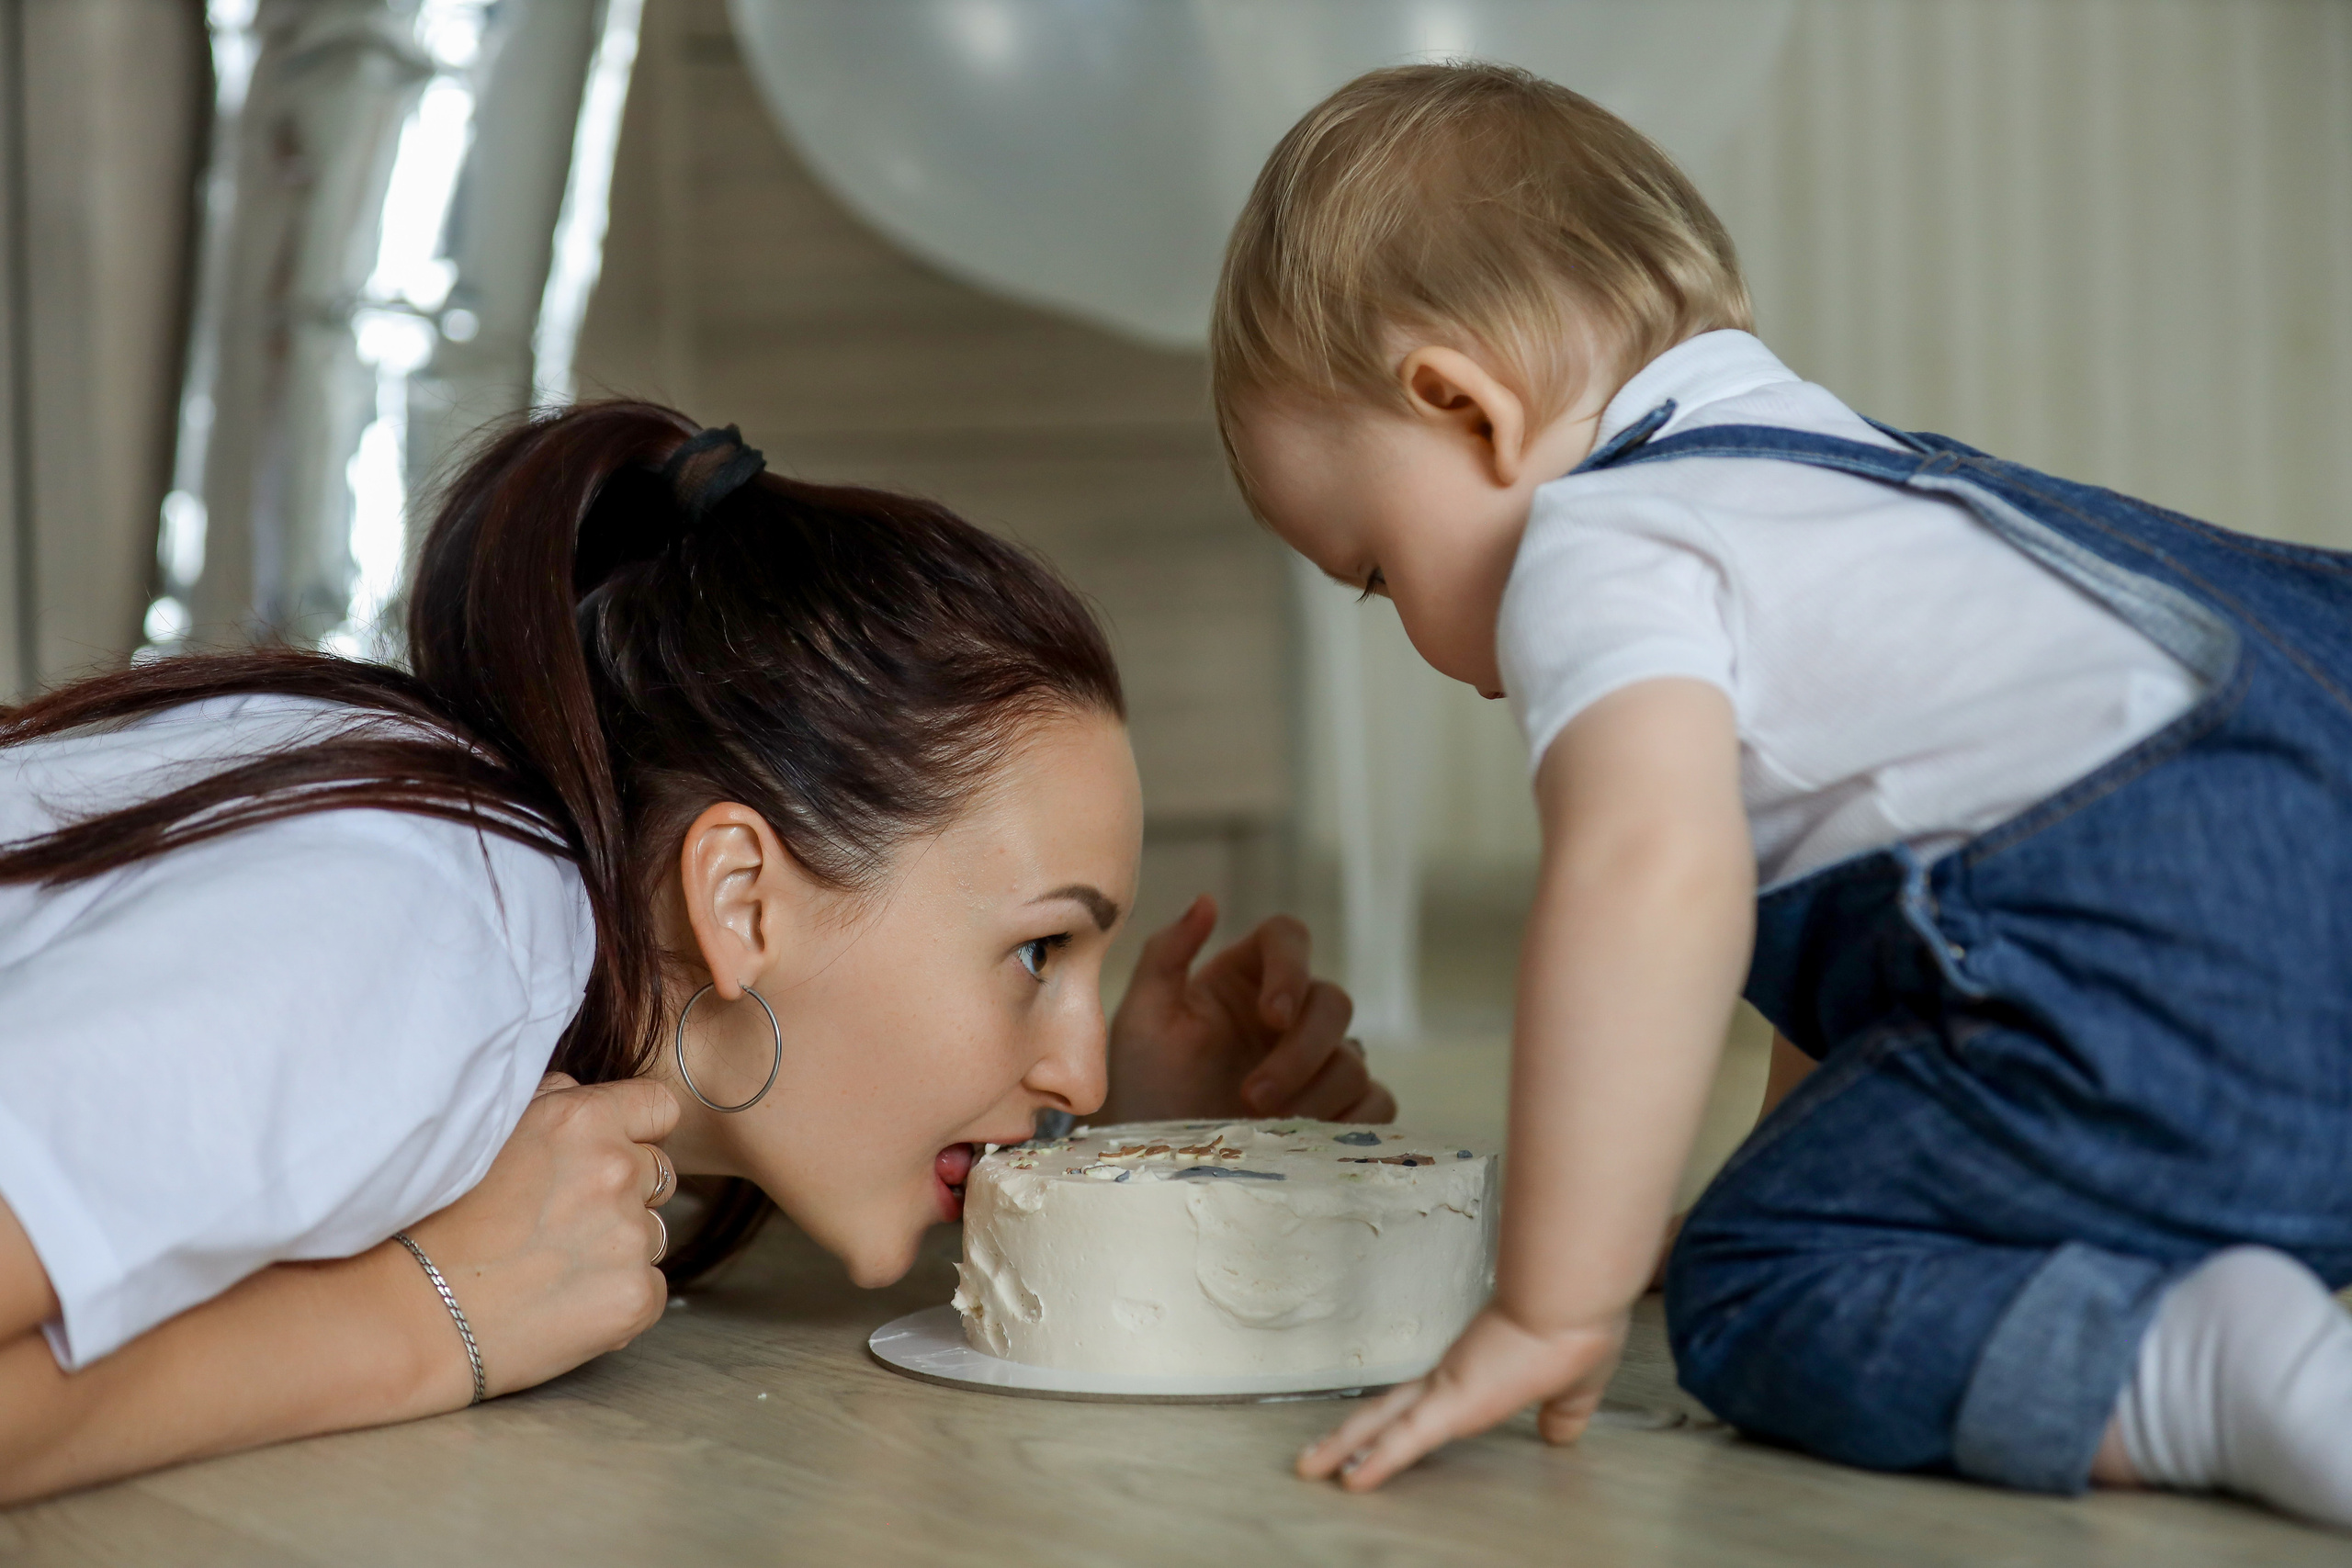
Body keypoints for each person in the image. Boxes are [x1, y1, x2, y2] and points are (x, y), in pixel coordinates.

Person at [1210, 62, 2352, 1526]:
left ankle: (2205, 1370)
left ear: (1465, 407)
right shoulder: (1867, 489)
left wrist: (1562, 1295)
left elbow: (1651, 878)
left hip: (2199, 976)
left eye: (1373, 568)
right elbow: (1869, 952)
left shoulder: (1609, 539)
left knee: (1763, 1281)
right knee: (1813, 1185)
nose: (1411, 630)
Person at [0, 401, 1390, 1503]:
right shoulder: (424, 926)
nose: (1074, 1067)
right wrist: (426, 1323)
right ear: (739, 901)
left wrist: (1107, 1166)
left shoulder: (478, 883)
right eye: (1038, 952)